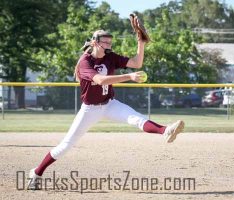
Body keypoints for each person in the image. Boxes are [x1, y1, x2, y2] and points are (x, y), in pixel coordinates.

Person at [27, 30, 184, 190]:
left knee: (136, 118)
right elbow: (100, 80)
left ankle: (166, 130)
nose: (109, 45)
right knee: (65, 146)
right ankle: (36, 173)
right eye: (105, 42)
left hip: (109, 104)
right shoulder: (85, 62)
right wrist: (129, 77)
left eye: (110, 42)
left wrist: (141, 44)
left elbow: (136, 63)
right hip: (90, 110)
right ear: (95, 42)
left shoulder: (111, 57)